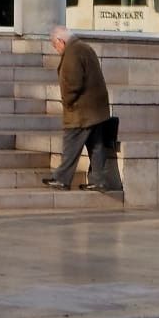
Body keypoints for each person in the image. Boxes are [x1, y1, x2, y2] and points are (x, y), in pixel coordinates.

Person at [42, 26, 123, 198]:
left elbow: (73, 83)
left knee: (71, 142)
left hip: (81, 110)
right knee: (96, 145)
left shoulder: (72, 53)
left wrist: (68, 102)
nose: (55, 49)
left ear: (61, 41)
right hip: (97, 108)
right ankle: (99, 180)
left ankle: (62, 179)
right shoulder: (85, 48)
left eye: (54, 45)